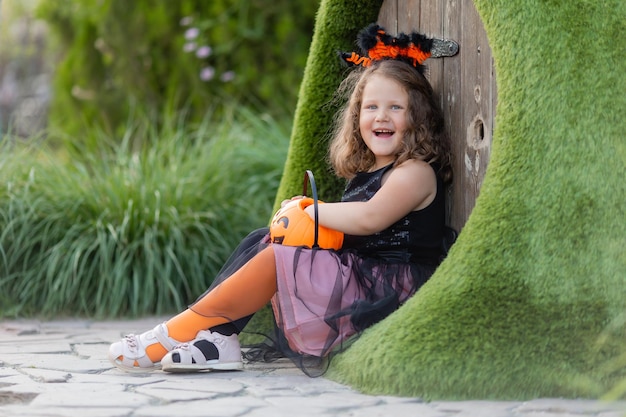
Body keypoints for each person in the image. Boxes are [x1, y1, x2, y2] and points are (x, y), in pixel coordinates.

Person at [108, 23, 453, 373]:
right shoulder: (368, 172)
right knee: (262, 240)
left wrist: (308, 210)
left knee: (278, 257)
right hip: (361, 279)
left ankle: (172, 332)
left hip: (391, 289)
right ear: (356, 117)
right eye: (371, 107)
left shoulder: (414, 172)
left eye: (396, 107)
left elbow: (369, 219)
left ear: (418, 117)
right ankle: (220, 338)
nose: (381, 116)